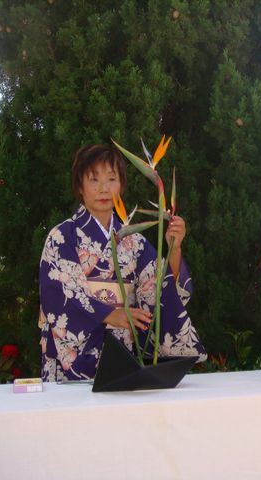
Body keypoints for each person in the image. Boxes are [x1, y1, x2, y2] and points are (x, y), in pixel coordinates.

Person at [38, 144, 206, 381]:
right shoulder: (62, 237)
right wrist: (109, 314)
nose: (104, 189)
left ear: (122, 185)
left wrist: (174, 248)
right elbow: (60, 295)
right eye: (94, 180)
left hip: (122, 353)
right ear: (80, 187)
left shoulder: (134, 242)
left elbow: (161, 290)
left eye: (111, 179)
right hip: (73, 355)